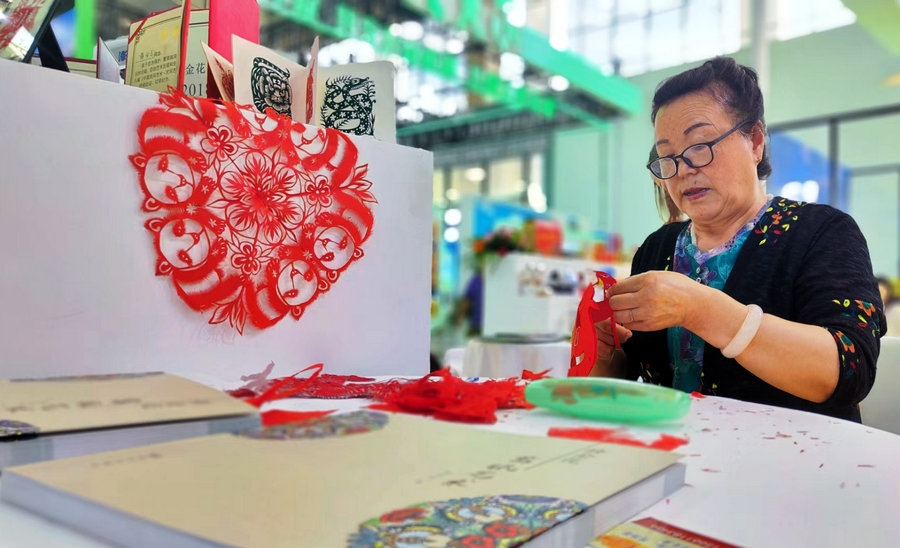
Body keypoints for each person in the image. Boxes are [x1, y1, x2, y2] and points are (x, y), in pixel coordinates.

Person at [591, 57, 883, 422]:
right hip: (670, 448)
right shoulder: (657, 248)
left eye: (700, 145)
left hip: (793, 453)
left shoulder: (821, 231)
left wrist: (700, 309)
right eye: (667, 157)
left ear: (755, 141)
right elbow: (632, 375)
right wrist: (606, 353)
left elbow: (851, 369)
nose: (683, 170)